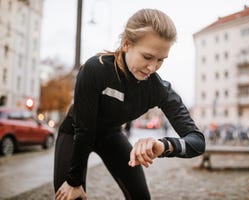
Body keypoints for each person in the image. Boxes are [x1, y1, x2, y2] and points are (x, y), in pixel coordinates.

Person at [54, 8, 205, 200]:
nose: (152, 68)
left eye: (161, 60)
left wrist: (164, 145)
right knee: (69, 197)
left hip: (111, 135)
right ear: (126, 44)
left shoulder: (158, 89)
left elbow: (198, 142)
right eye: (147, 57)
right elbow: (84, 129)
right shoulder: (95, 69)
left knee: (141, 197)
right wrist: (74, 181)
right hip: (75, 133)